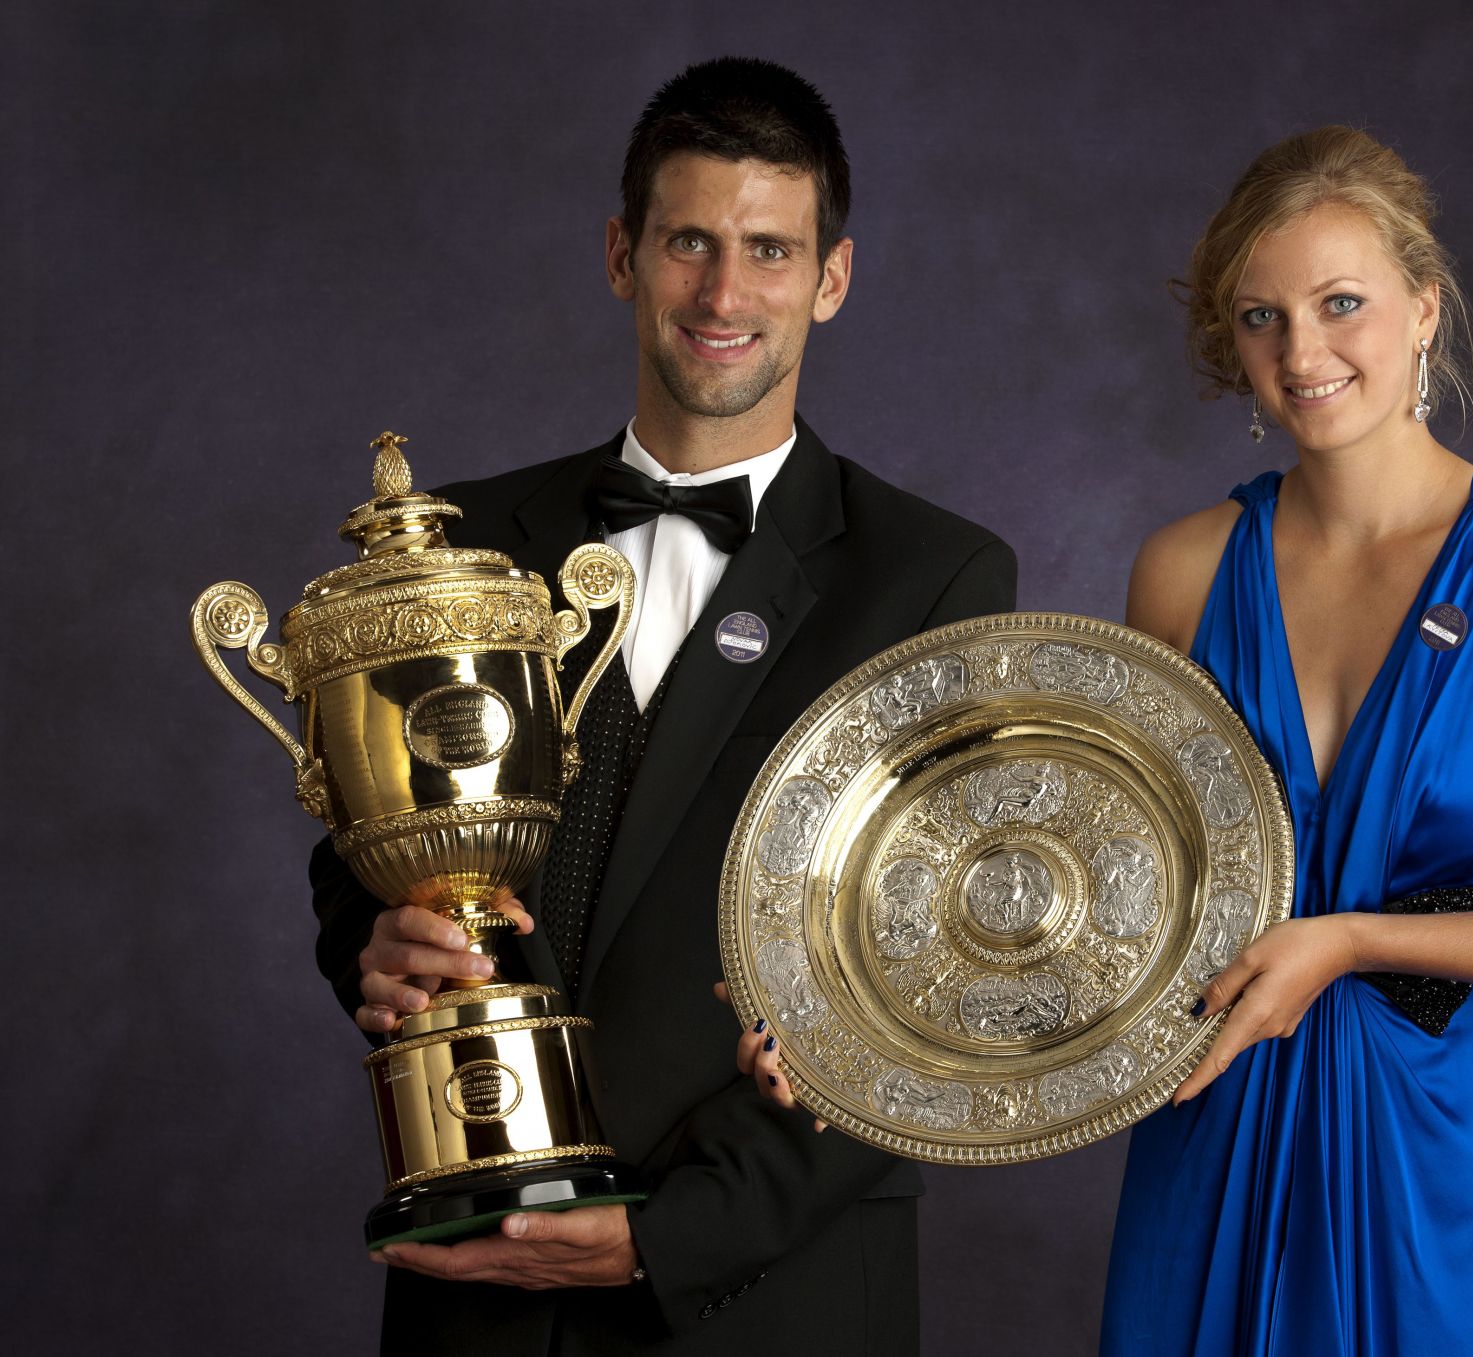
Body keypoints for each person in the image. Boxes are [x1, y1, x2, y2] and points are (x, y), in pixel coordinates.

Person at [310, 57, 1016, 1355]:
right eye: (689, 241)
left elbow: (937, 986)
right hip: (483, 1286)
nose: (724, 293)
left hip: (764, 1291)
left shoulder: (934, 579)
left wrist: (666, 1234)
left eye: (768, 250)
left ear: (831, 279)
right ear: (622, 254)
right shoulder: (457, 545)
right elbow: (360, 855)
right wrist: (375, 941)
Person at [1091, 126, 1473, 1354]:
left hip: (1447, 1164)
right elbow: (1127, 890)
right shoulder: (1181, 570)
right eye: (1262, 318)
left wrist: (1353, 940)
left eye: (1341, 305)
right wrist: (868, 1016)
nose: (1303, 352)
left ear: (1425, 312)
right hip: (1212, 1149)